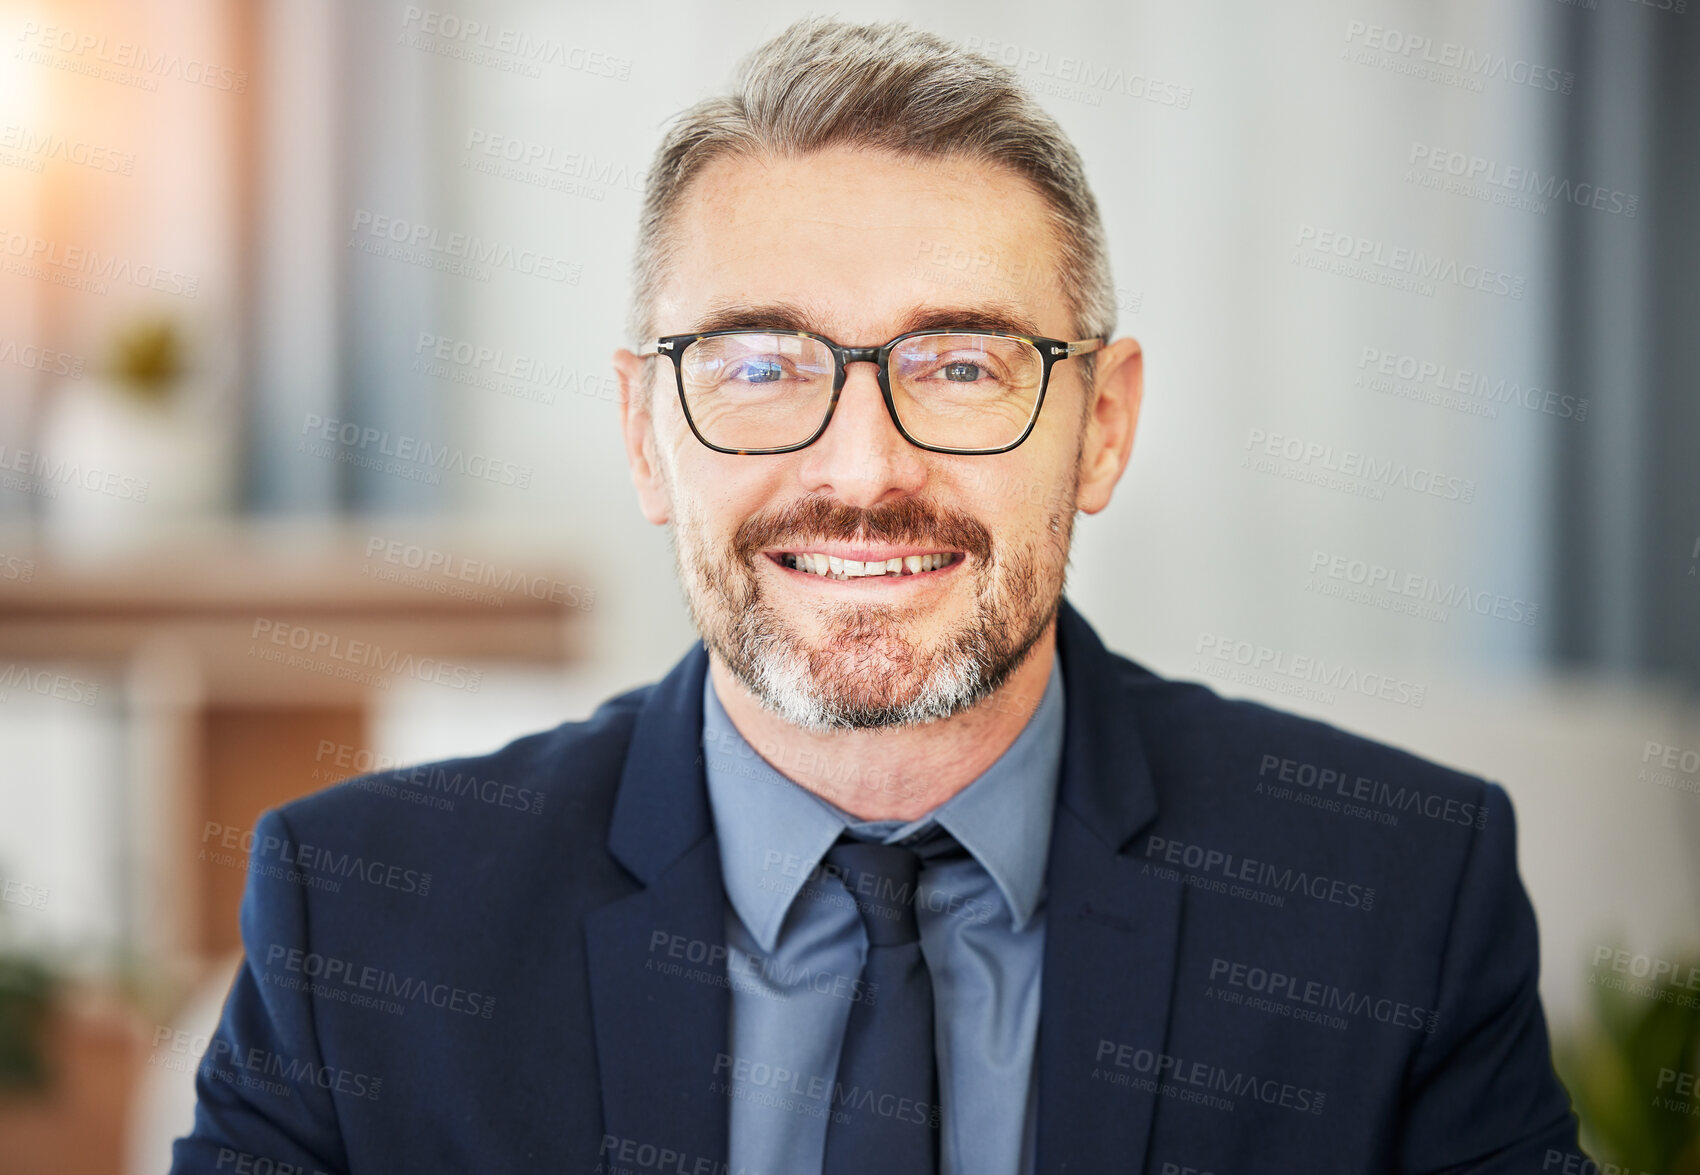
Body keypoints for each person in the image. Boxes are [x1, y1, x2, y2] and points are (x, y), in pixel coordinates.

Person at [172, 16, 1588, 1174]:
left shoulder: (1394, 901)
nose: (864, 469)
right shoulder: (362, 923)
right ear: (644, 435)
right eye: (760, 365)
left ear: (1101, 425)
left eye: (963, 364)